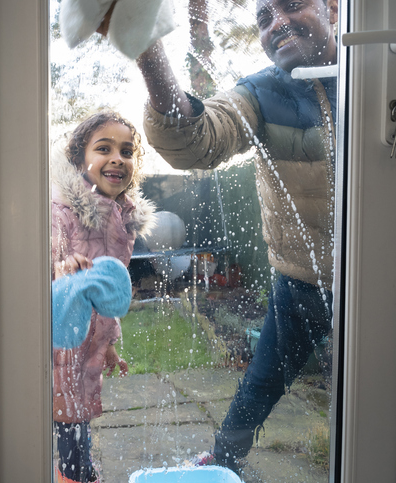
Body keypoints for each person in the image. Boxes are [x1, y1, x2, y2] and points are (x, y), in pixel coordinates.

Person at [130, 0, 339, 475]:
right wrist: (145, 44)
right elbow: (196, 138)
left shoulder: (381, 79)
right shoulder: (260, 94)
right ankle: (224, 460)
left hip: (388, 283)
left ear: (332, 8)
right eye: (263, 17)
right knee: (262, 382)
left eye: (291, 5)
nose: (277, 23)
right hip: (301, 281)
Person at [51, 111, 155, 483]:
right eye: (104, 148)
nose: (117, 158)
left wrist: (108, 344)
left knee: (76, 421)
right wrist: (62, 267)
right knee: (69, 423)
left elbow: (109, 296)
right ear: (80, 159)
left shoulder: (121, 222)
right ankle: (78, 476)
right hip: (59, 341)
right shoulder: (60, 211)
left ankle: (78, 472)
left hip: (87, 344)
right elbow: (46, 258)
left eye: (126, 151)